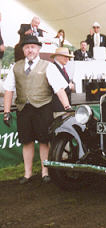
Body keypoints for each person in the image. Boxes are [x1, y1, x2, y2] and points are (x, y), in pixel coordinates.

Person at [3, 36, 71, 184]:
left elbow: (59, 89)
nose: (30, 50)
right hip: (23, 109)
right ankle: (27, 174)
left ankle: (45, 172)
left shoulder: (48, 66)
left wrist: (67, 107)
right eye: (27, 47)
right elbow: (8, 90)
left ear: (39, 49)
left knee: (43, 141)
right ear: (23, 50)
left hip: (43, 108)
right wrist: (6, 112)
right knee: (26, 141)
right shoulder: (16, 66)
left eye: (33, 47)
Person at [51, 47, 75, 117]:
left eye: (68, 57)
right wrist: (69, 87)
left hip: (62, 108)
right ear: (57, 56)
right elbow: (57, 88)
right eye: (65, 56)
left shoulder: (60, 68)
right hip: (58, 108)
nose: (67, 59)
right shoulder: (54, 69)